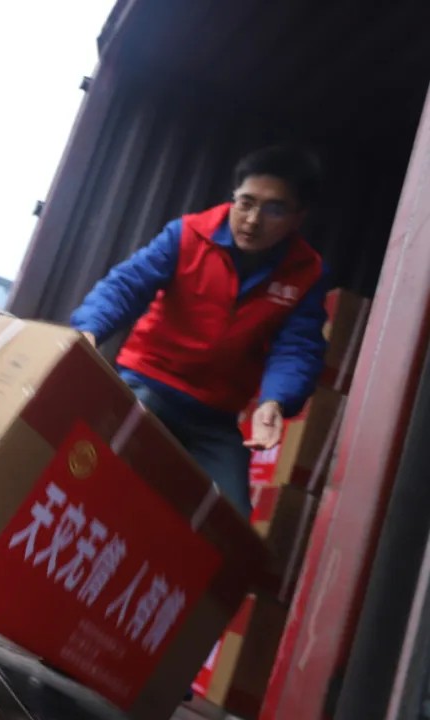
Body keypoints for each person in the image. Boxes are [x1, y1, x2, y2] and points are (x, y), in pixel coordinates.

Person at [69, 145, 328, 516]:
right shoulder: (188, 234)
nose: (252, 220)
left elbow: (297, 348)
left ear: (297, 217)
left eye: (274, 209)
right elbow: (126, 285)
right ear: (234, 197)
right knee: (97, 466)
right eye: (246, 203)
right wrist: (89, 330)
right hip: (149, 384)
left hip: (214, 420)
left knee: (228, 520)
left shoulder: (306, 273)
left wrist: (275, 400)